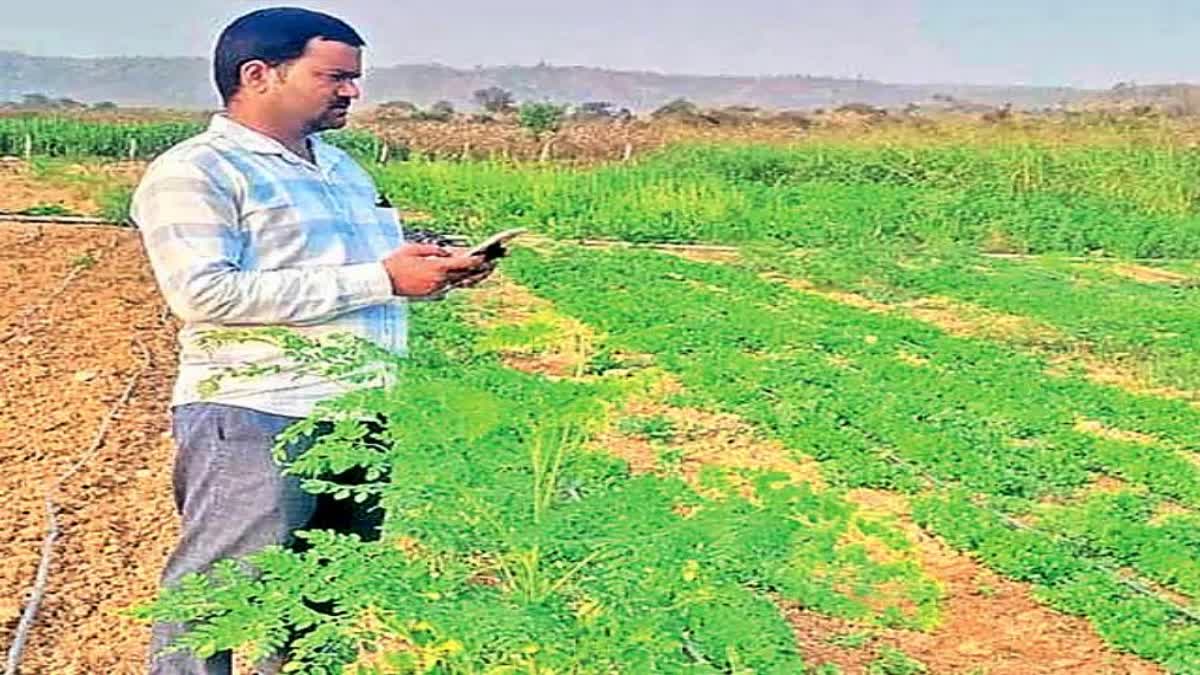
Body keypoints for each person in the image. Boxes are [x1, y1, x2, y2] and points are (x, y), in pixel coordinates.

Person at [130, 8, 497, 674]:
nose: (352, 92)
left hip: (359, 415)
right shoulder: (198, 171)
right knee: (217, 602)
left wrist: (429, 272)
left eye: (354, 79)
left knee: (319, 605)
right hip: (260, 412)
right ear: (258, 74)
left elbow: (366, 276)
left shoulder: (341, 169)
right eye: (334, 76)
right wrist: (380, 276)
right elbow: (203, 294)